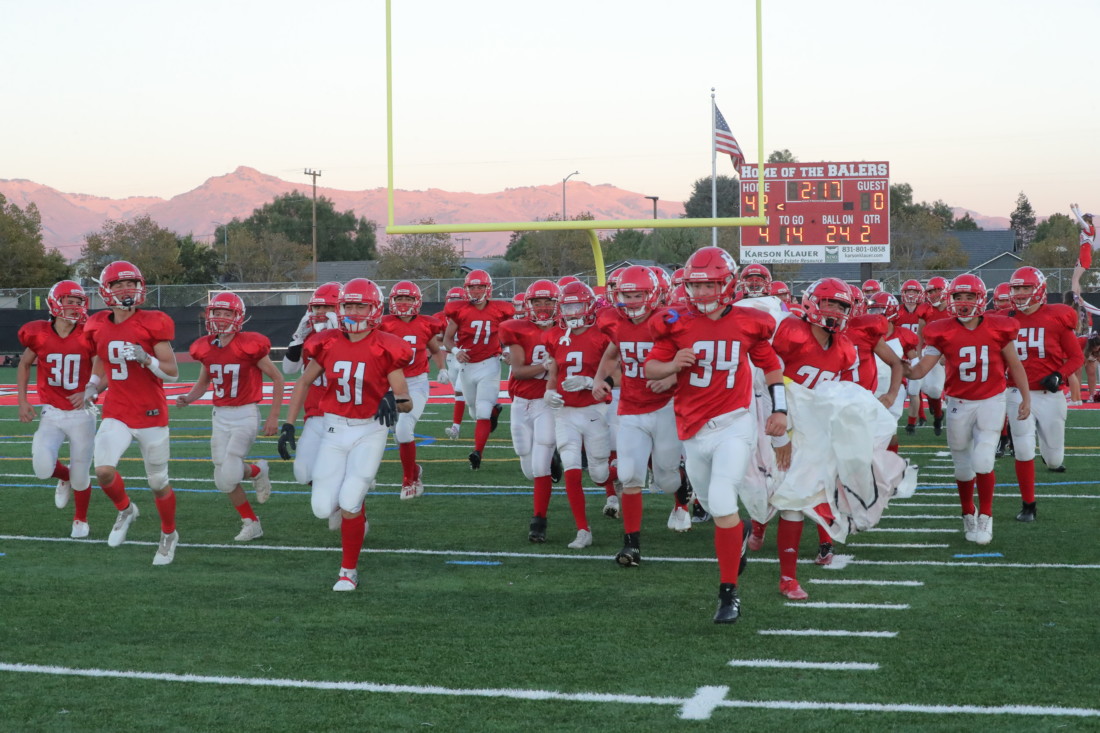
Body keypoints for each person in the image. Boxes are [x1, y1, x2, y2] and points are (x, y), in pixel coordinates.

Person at [646, 246, 787, 624]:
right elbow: (651, 368)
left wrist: (780, 408)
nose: (702, 293)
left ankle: (729, 595)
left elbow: (770, 365)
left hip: (733, 423)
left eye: (710, 285)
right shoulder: (673, 320)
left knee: (724, 499)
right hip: (692, 428)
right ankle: (736, 534)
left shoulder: (751, 320)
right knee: (710, 504)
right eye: (696, 286)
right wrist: (672, 364)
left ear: (727, 284)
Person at [282, 278, 413, 591]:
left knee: (351, 500)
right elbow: (301, 382)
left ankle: (348, 571)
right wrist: (289, 423)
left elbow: (406, 400)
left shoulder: (386, 345)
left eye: (360, 305)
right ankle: (354, 492)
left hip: (369, 430)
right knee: (322, 508)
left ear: (374, 309)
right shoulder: (326, 341)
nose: (353, 311)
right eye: (349, 305)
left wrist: (393, 399)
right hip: (332, 428)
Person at [909, 274, 1029, 546]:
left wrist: (1025, 397)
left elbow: (1015, 365)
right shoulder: (941, 330)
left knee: (984, 461)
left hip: (991, 401)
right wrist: (898, 365)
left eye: (969, 296)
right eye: (958, 297)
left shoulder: (999, 327)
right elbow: (921, 370)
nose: (963, 303)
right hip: (958, 403)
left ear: (980, 299)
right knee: (963, 468)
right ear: (950, 300)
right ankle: (967, 513)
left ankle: (986, 515)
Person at [81, 261, 181, 565]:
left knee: (158, 483)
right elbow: (102, 359)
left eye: (131, 283)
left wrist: (146, 358)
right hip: (117, 411)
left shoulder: (154, 322)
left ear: (140, 287)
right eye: (118, 285)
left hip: (151, 414)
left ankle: (169, 534)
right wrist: (92, 385)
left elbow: (173, 373)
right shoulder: (97, 324)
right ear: (105, 290)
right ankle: (125, 509)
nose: (127, 290)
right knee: (103, 471)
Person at [767, 278, 859, 598]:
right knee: (765, 493)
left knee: (793, 502)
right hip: (771, 418)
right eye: (829, 303)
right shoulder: (791, 331)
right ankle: (752, 528)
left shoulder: (846, 349)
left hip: (808, 431)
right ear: (810, 303)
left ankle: (788, 578)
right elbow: (763, 372)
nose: (834, 311)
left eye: (841, 306)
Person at [591, 266, 683, 566]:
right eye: (626, 295)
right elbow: (611, 353)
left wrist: (670, 378)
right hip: (630, 407)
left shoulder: (669, 321)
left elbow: (693, 358)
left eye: (638, 295)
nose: (631, 301)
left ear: (654, 295)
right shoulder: (615, 323)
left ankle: (683, 491)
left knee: (667, 479)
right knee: (630, 476)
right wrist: (599, 379)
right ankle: (631, 545)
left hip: (665, 406)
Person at [176, 292, 283, 540]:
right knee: (222, 480)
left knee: (232, 471)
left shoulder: (250, 345)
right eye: (217, 313)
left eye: (227, 314)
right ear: (209, 315)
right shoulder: (206, 347)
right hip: (220, 416)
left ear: (238, 317)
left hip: (245, 414)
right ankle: (251, 520)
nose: (221, 318)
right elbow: (204, 383)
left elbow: (277, 378)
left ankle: (256, 472)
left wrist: (273, 416)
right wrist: (189, 398)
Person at [16, 280, 97, 538]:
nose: (75, 306)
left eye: (78, 302)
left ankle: (80, 519)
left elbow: (101, 369)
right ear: (54, 303)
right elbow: (24, 364)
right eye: (69, 301)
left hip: (82, 412)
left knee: (82, 475)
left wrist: (89, 391)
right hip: (51, 411)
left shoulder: (88, 334)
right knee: (42, 468)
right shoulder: (39, 333)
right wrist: (22, 400)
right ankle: (64, 477)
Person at [1004, 266, 1083, 521]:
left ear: (1038, 289)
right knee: (1024, 448)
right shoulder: (1005, 319)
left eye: (1025, 287)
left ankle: (1049, 458)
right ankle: (1029, 505)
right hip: (1017, 392)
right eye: (1016, 287)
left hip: (1050, 395)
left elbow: (1076, 356)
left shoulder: (1056, 317)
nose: (1020, 292)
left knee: (1053, 458)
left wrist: (1059, 375)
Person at [542, 281, 614, 549]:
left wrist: (588, 381)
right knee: (571, 468)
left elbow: (614, 373)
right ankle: (583, 529)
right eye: (567, 306)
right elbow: (554, 371)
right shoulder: (554, 335)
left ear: (589, 306)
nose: (571, 312)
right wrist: (549, 392)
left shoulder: (602, 335)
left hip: (595, 409)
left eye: (576, 305)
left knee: (598, 472)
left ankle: (616, 479)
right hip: (565, 413)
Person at [498, 279, 560, 542]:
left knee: (539, 465)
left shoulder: (565, 330)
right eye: (537, 301)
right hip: (521, 402)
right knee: (526, 463)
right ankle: (555, 459)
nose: (543, 306)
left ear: (557, 304)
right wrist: (547, 366)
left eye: (548, 301)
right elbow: (520, 371)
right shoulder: (516, 329)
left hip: (547, 403)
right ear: (529, 304)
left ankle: (539, 521)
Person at [378, 281, 446, 499]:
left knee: (404, 430)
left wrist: (442, 368)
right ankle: (413, 469)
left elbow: (435, 349)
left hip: (416, 382)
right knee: (386, 433)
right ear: (392, 301)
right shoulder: (383, 323)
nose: (404, 303)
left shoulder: (426, 324)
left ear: (417, 302)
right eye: (400, 299)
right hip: (388, 383)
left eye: (408, 298)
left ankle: (409, 481)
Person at [280, 282, 342, 511]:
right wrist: (298, 337)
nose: (320, 313)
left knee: (339, 468)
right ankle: (340, 495)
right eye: (317, 307)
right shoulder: (308, 336)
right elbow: (288, 369)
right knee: (303, 472)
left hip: (344, 414)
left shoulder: (353, 337)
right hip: (315, 413)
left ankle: (349, 503)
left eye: (327, 307)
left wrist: (339, 332)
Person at [443, 270, 513, 469]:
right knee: (474, 412)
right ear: (466, 289)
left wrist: (506, 350)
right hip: (467, 366)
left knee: (481, 412)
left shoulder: (499, 310)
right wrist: (456, 351)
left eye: (479, 287)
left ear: (487, 288)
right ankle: (495, 411)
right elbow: (448, 339)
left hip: (490, 364)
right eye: (472, 287)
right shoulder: (460, 310)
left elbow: (507, 335)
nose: (475, 291)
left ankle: (477, 453)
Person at [439, 287, 468, 439]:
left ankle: (455, 427)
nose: (455, 304)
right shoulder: (439, 317)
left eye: (458, 301)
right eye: (452, 301)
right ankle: (492, 410)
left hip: (465, 358)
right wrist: (441, 367)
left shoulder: (469, 315)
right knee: (461, 396)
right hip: (451, 359)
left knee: (459, 391)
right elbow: (434, 340)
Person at [1070, 203, 1096, 298]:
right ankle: (1078, 297)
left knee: (1075, 279)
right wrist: (1078, 208)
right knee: (1074, 279)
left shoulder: (1090, 229)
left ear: (1086, 222)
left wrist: (1074, 210)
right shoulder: (1086, 229)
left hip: (1085, 257)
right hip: (1081, 256)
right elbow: (1082, 218)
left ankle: (1074, 298)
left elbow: (1080, 219)